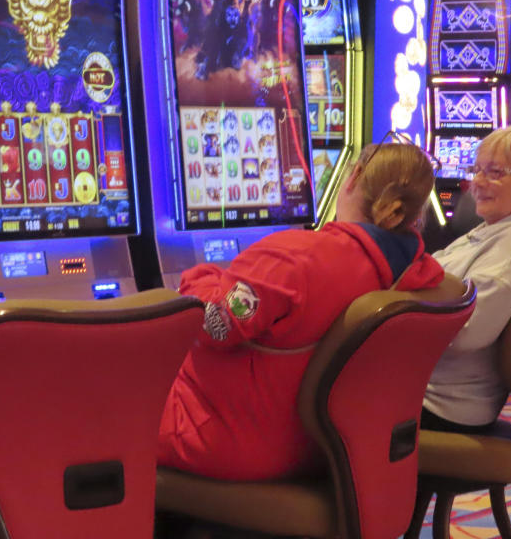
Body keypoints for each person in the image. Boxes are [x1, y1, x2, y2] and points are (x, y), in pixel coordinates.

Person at [157, 139, 444, 481]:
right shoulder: (423, 275)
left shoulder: (294, 259)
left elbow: (215, 325)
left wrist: (199, 278)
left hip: (228, 436)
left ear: (352, 178)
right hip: (328, 446)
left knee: (93, 403)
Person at [422, 126, 511, 433]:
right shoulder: (500, 227)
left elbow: (465, 333)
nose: (477, 182)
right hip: (429, 387)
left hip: (441, 404)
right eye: (477, 170)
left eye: (495, 172)